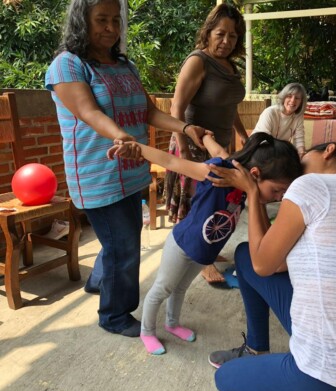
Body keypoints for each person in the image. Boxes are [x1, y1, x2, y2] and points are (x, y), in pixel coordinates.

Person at [45, 0, 212, 338]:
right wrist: (121, 137)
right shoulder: (68, 65)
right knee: (123, 246)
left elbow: (149, 112)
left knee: (120, 238)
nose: (110, 28)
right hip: (98, 172)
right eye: (101, 20)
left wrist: (185, 127)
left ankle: (99, 281)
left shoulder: (125, 66)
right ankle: (115, 315)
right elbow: (89, 112)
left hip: (131, 169)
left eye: (115, 20)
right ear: (82, 21)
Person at [206, 142, 336, 391]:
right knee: (244, 255)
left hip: (320, 379)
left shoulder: (312, 184)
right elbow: (272, 260)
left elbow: (263, 265)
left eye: (303, 156)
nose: (297, 164)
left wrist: (253, 192)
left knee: (225, 378)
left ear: (328, 151)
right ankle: (255, 348)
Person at [107, 132, 302, 355]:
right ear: (255, 174)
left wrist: (207, 137)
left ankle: (172, 323)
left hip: (205, 251)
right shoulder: (218, 172)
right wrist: (137, 148)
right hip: (182, 244)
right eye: (277, 190)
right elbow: (171, 161)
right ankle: (147, 331)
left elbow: (219, 149)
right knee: (162, 289)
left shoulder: (245, 183)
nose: (279, 197)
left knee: (181, 288)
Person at [164, 3, 248, 284]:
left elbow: (230, 105)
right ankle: (201, 261)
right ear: (208, 32)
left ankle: (205, 252)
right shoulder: (198, 61)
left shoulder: (230, 66)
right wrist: (185, 152)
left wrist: (242, 134)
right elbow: (176, 108)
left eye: (233, 36)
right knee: (197, 207)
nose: (226, 41)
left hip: (217, 146)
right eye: (220, 34)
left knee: (212, 204)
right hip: (191, 144)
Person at [253, 82, 307, 158]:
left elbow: (299, 140)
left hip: (278, 152)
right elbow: (263, 139)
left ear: (301, 102)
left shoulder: (298, 116)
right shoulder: (270, 112)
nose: (293, 100)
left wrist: (301, 153)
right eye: (289, 96)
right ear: (283, 97)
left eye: (297, 98)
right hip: (259, 149)